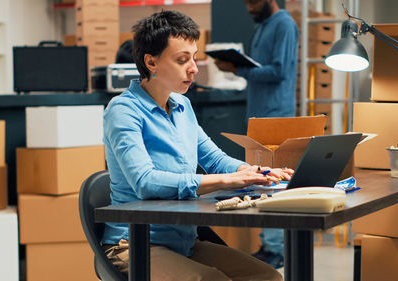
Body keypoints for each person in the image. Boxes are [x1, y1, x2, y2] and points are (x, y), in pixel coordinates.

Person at [101, 10, 292, 281]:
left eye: (194, 57)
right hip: (134, 244)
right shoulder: (123, 110)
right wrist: (226, 181)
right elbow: (145, 181)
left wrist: (254, 172)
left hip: (183, 242)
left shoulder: (182, 105)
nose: (193, 68)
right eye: (182, 60)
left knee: (268, 277)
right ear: (151, 62)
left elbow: (214, 158)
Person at [214, 0, 299, 269]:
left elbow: (280, 71)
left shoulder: (284, 23)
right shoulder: (263, 26)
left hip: (276, 115)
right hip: (261, 115)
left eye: (254, 1)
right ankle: (270, 245)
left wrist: (238, 69)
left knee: (273, 183)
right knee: (262, 181)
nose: (249, 7)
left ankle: (277, 249)